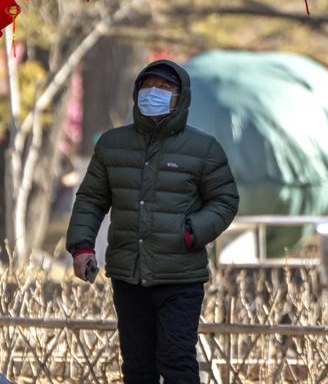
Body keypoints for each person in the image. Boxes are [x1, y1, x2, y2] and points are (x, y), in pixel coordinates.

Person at [66, 59, 240, 384]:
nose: (153, 94)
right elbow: (91, 198)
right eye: (147, 87)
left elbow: (225, 200)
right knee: (137, 365)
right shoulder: (112, 144)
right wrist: (82, 247)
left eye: (164, 88)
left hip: (180, 278)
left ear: (180, 97)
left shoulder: (203, 149)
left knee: (176, 361)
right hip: (128, 276)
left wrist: (191, 233)